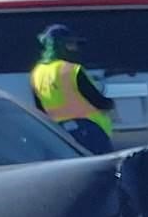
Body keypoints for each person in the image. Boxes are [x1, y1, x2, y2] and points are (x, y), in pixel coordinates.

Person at [30, 24, 116, 154]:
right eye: (70, 44)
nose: (75, 48)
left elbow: (40, 109)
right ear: (61, 46)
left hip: (58, 134)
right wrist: (110, 103)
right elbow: (98, 101)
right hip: (89, 132)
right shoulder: (71, 70)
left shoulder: (37, 73)